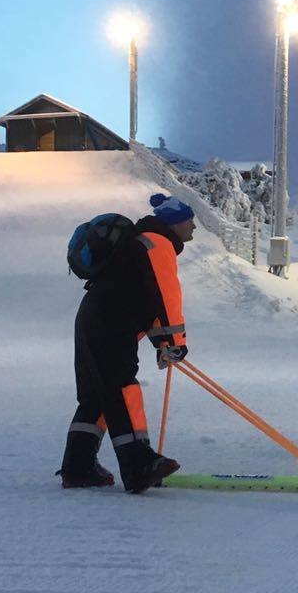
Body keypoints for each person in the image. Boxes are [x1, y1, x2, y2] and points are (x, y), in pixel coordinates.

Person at [57, 193, 191, 492]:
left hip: (92, 319)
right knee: (121, 388)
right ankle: (139, 464)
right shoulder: (158, 243)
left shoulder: (140, 242)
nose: (193, 228)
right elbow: (165, 296)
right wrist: (173, 342)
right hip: (110, 324)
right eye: (189, 222)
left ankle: (79, 468)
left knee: (96, 396)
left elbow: (147, 300)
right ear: (175, 223)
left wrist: (162, 343)